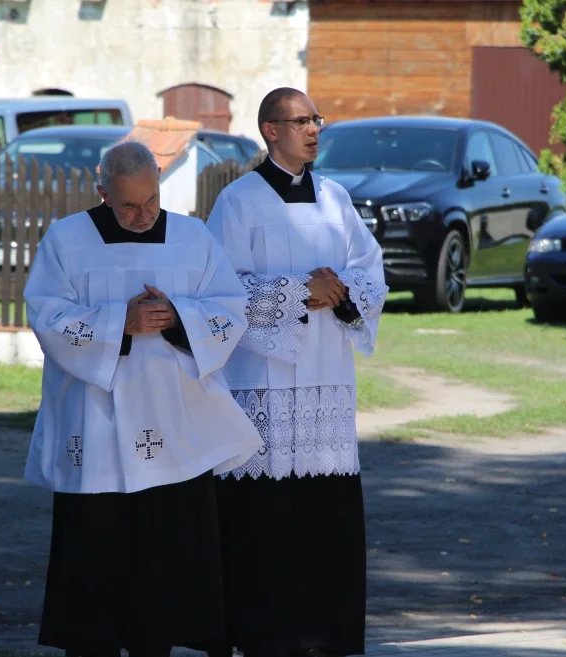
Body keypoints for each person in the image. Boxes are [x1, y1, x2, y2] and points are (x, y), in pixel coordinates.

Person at [23, 141, 263, 657]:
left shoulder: (193, 237)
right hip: (97, 422)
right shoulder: (67, 240)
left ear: (159, 181)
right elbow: (46, 316)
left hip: (173, 423)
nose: (143, 214)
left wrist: (179, 316)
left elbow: (229, 307)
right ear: (101, 190)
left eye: (151, 200)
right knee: (97, 556)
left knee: (168, 553)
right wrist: (120, 323)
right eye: (129, 204)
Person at [205, 87, 389, 657]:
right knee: (264, 522)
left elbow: (371, 273)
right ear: (270, 130)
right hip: (259, 382)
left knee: (321, 516)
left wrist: (341, 290)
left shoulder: (336, 199)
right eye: (300, 121)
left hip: (325, 380)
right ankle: (259, 633)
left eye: (316, 120)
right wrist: (295, 291)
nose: (313, 129)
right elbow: (218, 293)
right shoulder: (236, 204)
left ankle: (322, 633)